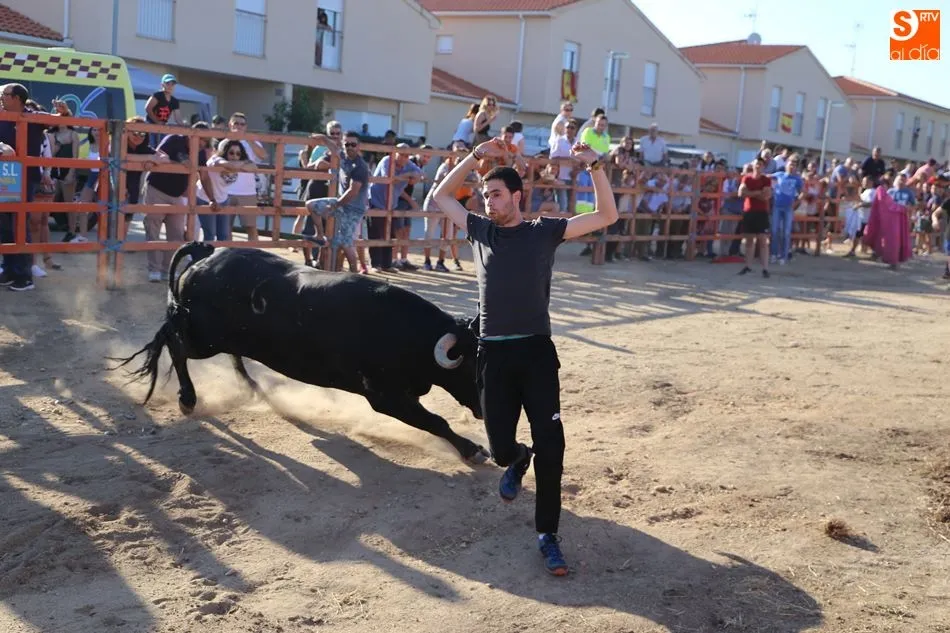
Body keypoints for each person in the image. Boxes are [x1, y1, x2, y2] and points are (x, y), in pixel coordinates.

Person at [431, 138, 618, 577]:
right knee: (499, 448)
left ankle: (547, 534)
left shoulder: (543, 231)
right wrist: (476, 156)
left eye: (496, 194)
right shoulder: (481, 231)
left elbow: (607, 216)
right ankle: (517, 459)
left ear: (517, 196)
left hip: (535, 353)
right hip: (493, 354)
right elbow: (440, 195)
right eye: (485, 195)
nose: (488, 201)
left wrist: (595, 166)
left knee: (552, 447)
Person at [0, 83, 45, 291]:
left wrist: (64, 113)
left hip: (26, 177)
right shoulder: (2, 117)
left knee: (19, 224)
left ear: (17, 98)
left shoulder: (34, 117)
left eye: (5, 94)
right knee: (4, 225)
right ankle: (9, 269)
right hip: (6, 177)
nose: (2, 97)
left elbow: (57, 122)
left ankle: (24, 276)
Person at [737, 156, 772, 278]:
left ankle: (765, 268)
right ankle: (748, 266)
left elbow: (766, 196)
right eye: (756, 164)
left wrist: (750, 193)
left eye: (760, 164)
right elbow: (741, 193)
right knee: (749, 240)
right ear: (752, 165)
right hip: (749, 211)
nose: (758, 166)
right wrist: (757, 192)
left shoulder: (766, 180)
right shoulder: (746, 178)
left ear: (763, 166)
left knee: (763, 240)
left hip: (761, 212)